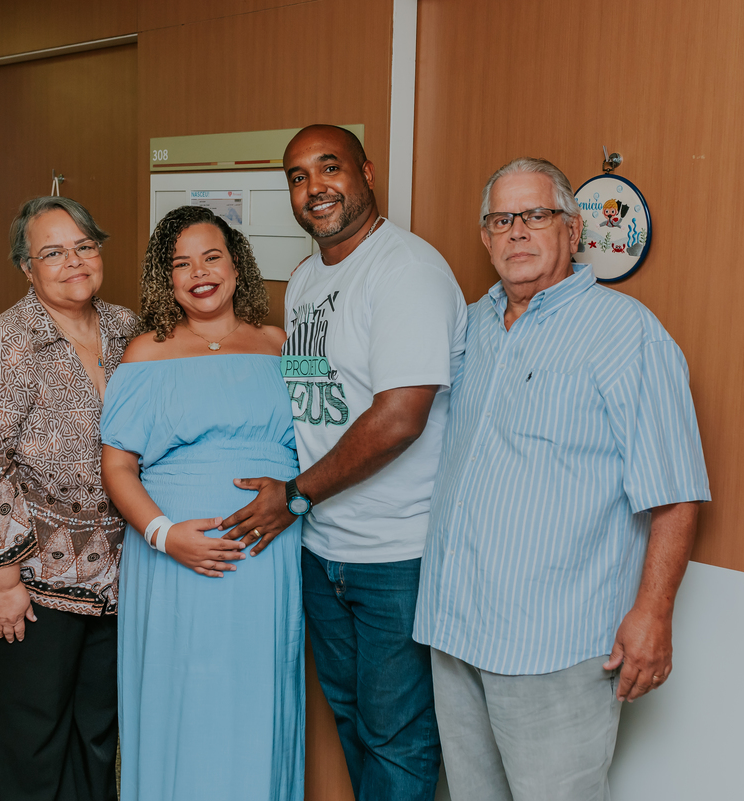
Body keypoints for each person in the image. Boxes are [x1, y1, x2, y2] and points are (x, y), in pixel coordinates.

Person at [412, 157, 710, 801]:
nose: (517, 231)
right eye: (501, 219)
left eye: (536, 215)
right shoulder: (473, 325)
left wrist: (653, 614)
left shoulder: (627, 334)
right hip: (456, 626)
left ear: (573, 231)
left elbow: (677, 492)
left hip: (555, 643)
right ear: (486, 238)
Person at [220, 124, 466, 800]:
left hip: (395, 555)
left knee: (398, 737)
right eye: (298, 176)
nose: (314, 187)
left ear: (367, 171)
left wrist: (294, 495)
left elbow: (397, 419)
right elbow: (313, 402)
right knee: (358, 722)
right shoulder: (303, 281)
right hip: (324, 548)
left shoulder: (406, 270)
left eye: (329, 167)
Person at [99, 205, 304, 801]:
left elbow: (328, 445)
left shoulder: (286, 345)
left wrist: (298, 504)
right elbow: (117, 467)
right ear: (168, 280)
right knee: (181, 698)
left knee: (256, 696)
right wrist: (165, 535)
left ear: (237, 265)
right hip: (173, 562)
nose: (200, 273)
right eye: (181, 264)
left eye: (212, 257)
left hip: (266, 557)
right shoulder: (143, 355)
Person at [0, 196, 137, 801]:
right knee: (32, 732)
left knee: (97, 726)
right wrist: (0, 582)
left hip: (112, 571)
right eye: (52, 252)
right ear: (27, 268)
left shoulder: (129, 331)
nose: (73, 261)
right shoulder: (4, 347)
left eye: (84, 246)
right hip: (28, 576)